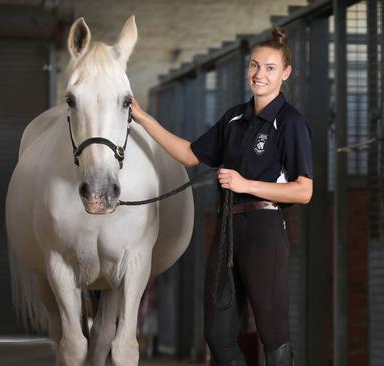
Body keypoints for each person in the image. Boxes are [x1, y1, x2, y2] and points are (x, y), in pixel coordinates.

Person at [131, 26, 312, 366]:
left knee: (273, 337)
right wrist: (142, 118)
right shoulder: (234, 117)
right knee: (217, 334)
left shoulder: (290, 123)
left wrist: (246, 185)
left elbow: (304, 190)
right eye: (254, 65)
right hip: (228, 230)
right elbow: (188, 154)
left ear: (285, 73)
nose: (260, 74)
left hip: (265, 231)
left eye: (270, 68)